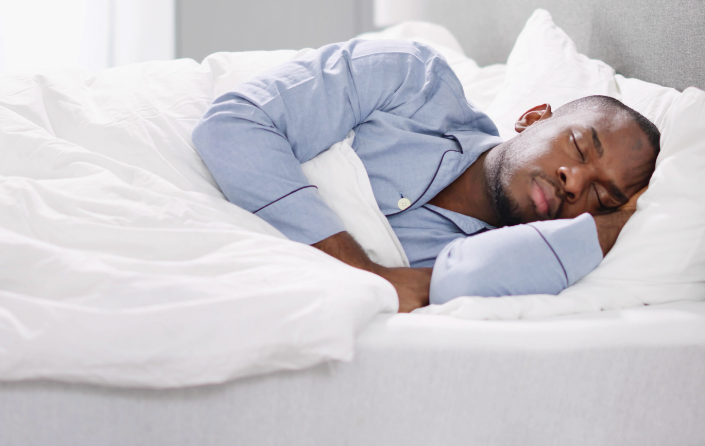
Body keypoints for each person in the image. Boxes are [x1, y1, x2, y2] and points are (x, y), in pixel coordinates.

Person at [192, 39, 659, 312]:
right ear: (533, 118)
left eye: (600, 195)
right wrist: (370, 274)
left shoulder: (482, 266)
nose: (575, 184)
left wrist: (621, 220)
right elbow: (233, 124)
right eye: (578, 147)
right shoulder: (412, 81)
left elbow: (464, 280)